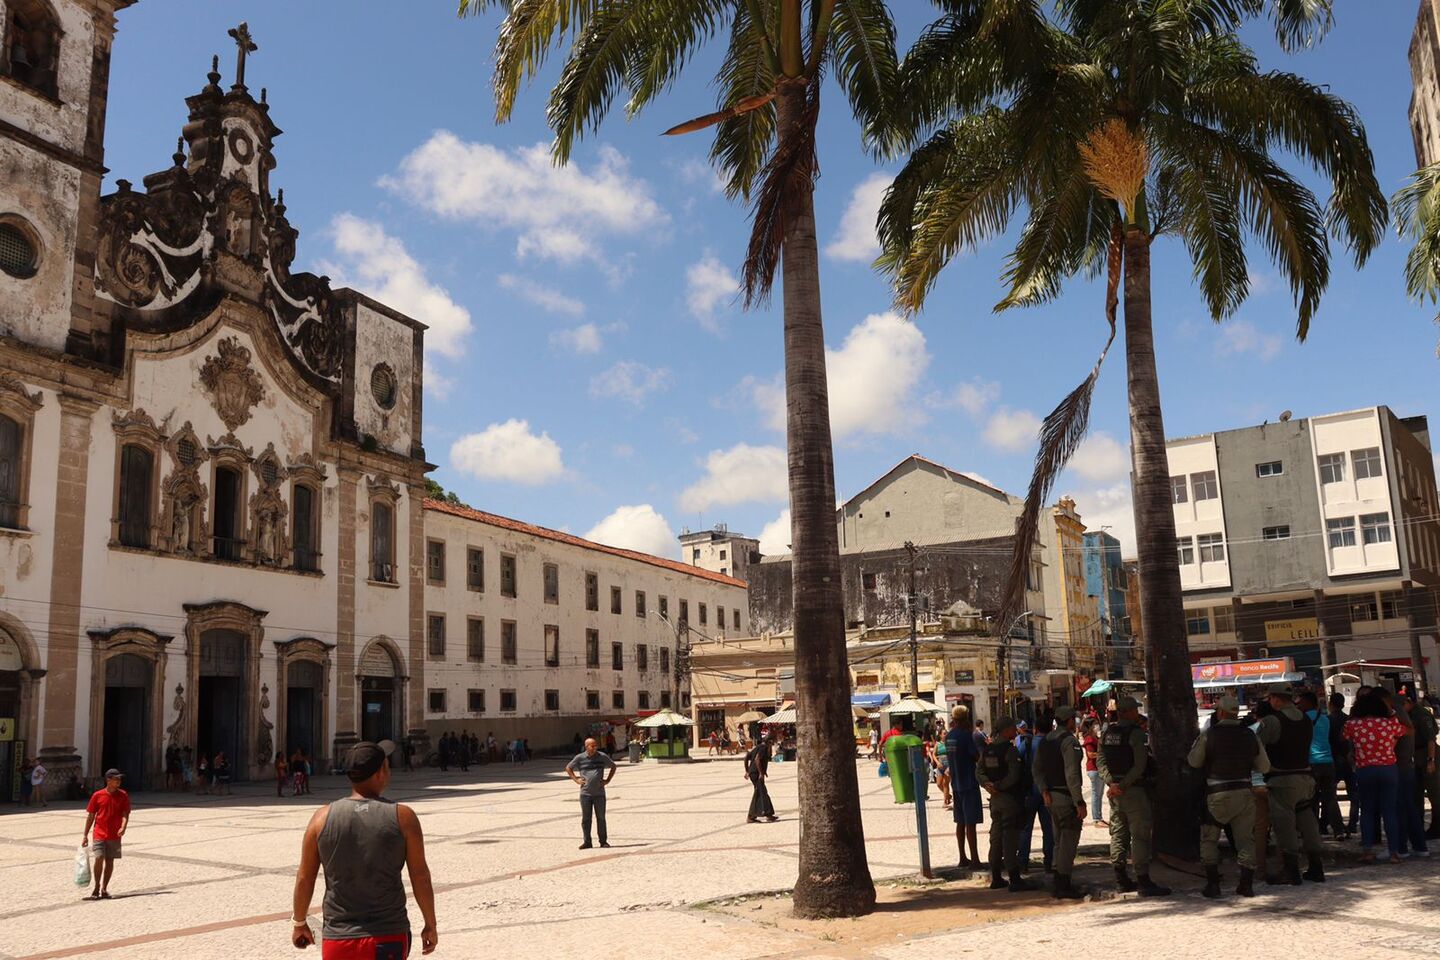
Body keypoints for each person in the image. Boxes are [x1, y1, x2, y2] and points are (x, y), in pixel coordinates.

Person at [290, 740, 438, 956]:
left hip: (338, 938)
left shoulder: (320, 819)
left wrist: (299, 922)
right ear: (381, 772)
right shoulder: (403, 818)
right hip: (388, 935)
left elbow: (305, 878)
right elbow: (420, 876)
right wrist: (430, 924)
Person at [1188, 695, 1269, 898]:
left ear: (1221, 712)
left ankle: (1213, 885)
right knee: (1245, 840)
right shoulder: (1250, 735)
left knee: (1209, 839)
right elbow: (1264, 766)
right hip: (1244, 792)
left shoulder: (1209, 734)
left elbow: (1194, 762)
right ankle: (1246, 884)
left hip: (1217, 794)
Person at [1096, 696, 1169, 896]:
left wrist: (1111, 783)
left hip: (1115, 793)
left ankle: (1120, 879)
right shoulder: (1136, 734)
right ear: (1127, 712)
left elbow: (1100, 761)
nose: (1138, 713)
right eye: (1135, 710)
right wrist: (1122, 784)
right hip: (1133, 791)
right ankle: (1143, 880)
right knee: (1140, 835)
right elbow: (1140, 765)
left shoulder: (1107, 732)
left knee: (1118, 834)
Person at [1255, 685, 1324, 884]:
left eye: (1270, 699)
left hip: (1282, 780)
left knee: (1285, 826)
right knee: (1308, 822)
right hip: (1306, 777)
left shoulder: (1272, 721)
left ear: (1276, 699)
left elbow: (1258, 748)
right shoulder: (1306, 720)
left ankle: (1291, 871)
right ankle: (1316, 867)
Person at [976, 716, 1039, 892]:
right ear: (1006, 730)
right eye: (1012, 728)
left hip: (995, 800)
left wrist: (987, 785)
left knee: (995, 838)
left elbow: (979, 771)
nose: (1015, 730)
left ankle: (996, 876)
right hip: (1009, 799)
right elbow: (1014, 775)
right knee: (1010, 838)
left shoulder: (988, 750)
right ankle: (1014, 878)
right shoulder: (1010, 751)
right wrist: (998, 786)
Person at [1344, 691, 1406, 863]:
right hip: (1388, 769)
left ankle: (1367, 850)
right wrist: (1390, 711)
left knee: (1368, 811)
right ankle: (1394, 852)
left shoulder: (1353, 724)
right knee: (1389, 811)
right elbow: (1401, 730)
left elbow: (1345, 737)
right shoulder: (1389, 723)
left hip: (1365, 769)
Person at [1034, 705, 1087, 899]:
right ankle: (1064, 883)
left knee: (1058, 841)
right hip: (1065, 798)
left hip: (1051, 798)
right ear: (1071, 720)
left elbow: (1037, 769)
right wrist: (1079, 801)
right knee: (1069, 841)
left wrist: (1044, 790)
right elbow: (1072, 774)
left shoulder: (1045, 740)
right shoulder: (1069, 741)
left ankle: (1057, 881)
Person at [1300, 689, 1344, 839]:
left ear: (1307, 703)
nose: (1299, 705)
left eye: (1301, 702)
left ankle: (1314, 832)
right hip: (1328, 762)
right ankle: (1339, 830)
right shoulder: (1325, 719)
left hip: (1311, 763)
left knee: (1311, 800)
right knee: (1331, 799)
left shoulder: (1302, 719)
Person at [81, 769, 131, 900]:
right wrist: (85, 834)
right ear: (108, 780)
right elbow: (91, 816)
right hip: (99, 833)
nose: (119, 781)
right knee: (99, 858)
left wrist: (123, 827)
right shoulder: (98, 795)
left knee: (110, 860)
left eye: (120, 779)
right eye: (116, 779)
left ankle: (104, 888)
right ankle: (96, 886)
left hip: (115, 834)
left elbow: (125, 813)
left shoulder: (123, 795)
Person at [946, 705, 984, 871]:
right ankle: (975, 858)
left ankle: (962, 857)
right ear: (966, 718)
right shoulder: (966, 736)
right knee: (970, 823)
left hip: (956, 783)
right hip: (969, 782)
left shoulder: (949, 737)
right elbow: (976, 756)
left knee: (960, 822)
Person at [1394, 692, 1431, 858]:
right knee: (1413, 804)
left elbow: (1430, 739)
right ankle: (1418, 843)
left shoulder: (1418, 716)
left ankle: (1403, 847)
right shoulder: (1405, 721)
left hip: (1413, 762)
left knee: (1405, 807)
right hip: (1410, 764)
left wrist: (1431, 760)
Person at [1015, 720, 1054, 876]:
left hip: (1029, 791)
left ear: (1035, 728)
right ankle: (1049, 862)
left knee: (1026, 829)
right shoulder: (1052, 744)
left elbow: (1017, 759)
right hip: (1047, 791)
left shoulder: (1028, 742)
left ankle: (1023, 863)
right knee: (1048, 829)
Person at [567, 737, 617, 849]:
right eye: (592, 746)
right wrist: (576, 779)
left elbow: (613, 766)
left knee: (601, 818)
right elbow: (568, 768)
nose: (595, 748)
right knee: (586, 819)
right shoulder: (580, 758)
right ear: (586, 747)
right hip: (585, 794)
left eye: (596, 746)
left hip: (599, 794)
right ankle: (587, 841)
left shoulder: (602, 756)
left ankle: (603, 841)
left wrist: (607, 780)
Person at [745, 732, 779, 823]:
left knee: (762, 792)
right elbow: (757, 759)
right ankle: (750, 816)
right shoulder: (763, 748)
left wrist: (747, 771)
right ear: (770, 741)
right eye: (773, 742)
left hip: (753, 773)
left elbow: (747, 756)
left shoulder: (758, 747)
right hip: (756, 774)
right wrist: (761, 773)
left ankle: (769, 815)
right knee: (759, 793)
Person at [1081, 719, 1106, 827]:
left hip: (1099, 768)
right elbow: (1090, 754)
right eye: (1095, 724)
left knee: (1099, 794)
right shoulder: (1089, 739)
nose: (1097, 726)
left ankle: (1099, 817)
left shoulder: (1095, 737)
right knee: (1096, 794)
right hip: (1093, 769)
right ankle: (1096, 819)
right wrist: (1102, 755)